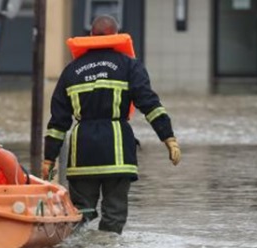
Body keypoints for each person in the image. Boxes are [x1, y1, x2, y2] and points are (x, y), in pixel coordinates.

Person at [42, 15, 181, 234]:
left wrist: (49, 158)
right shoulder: (129, 66)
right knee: (114, 216)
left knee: (80, 213)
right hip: (117, 153)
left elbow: (58, 122)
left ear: (91, 36)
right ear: (116, 36)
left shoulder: (71, 71)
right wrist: (168, 138)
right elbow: (150, 105)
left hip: (83, 154)